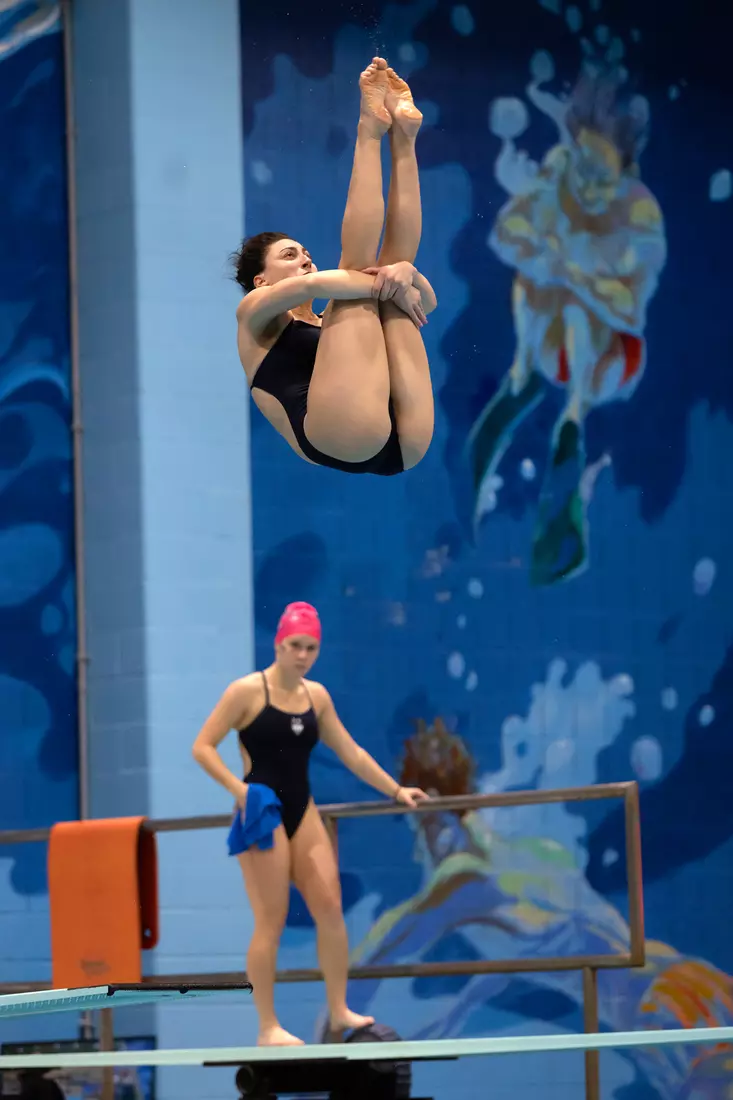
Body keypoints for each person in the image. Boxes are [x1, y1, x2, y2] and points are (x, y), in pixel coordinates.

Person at [192, 602, 429, 1046]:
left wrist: (397, 790)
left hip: (303, 809)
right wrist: (238, 790)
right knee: (271, 920)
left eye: (311, 648)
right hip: (261, 812)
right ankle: (267, 1027)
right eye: (295, 645)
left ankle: (338, 1011)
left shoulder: (316, 697)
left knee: (330, 908)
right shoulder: (246, 692)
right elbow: (202, 746)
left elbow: (351, 753)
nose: (303, 655)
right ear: (279, 644)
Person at [232, 57, 437, 476]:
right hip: (340, 436)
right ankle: (369, 129)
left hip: (405, 442)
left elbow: (423, 304)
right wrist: (396, 280)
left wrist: (407, 274)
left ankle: (404, 137)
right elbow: (313, 287)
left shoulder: (336, 319)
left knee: (384, 275)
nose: (305, 258)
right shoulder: (253, 315)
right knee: (362, 272)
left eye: (305, 252)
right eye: (289, 255)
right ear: (261, 279)